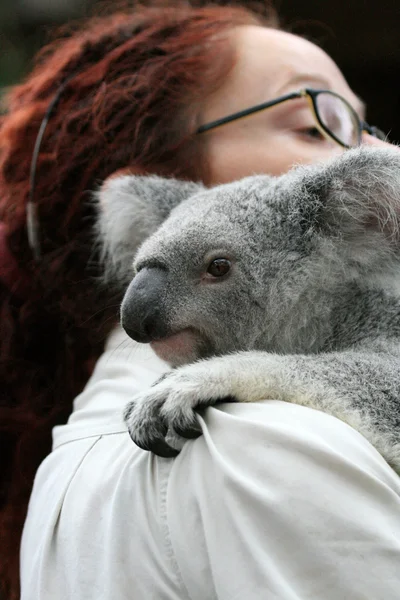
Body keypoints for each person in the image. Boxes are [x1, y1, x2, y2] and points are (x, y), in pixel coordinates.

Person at [0, 2, 399, 599]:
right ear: (169, 182)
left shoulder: (85, 447)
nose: (367, 150)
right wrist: (255, 379)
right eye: (315, 121)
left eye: (363, 127)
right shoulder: (254, 443)